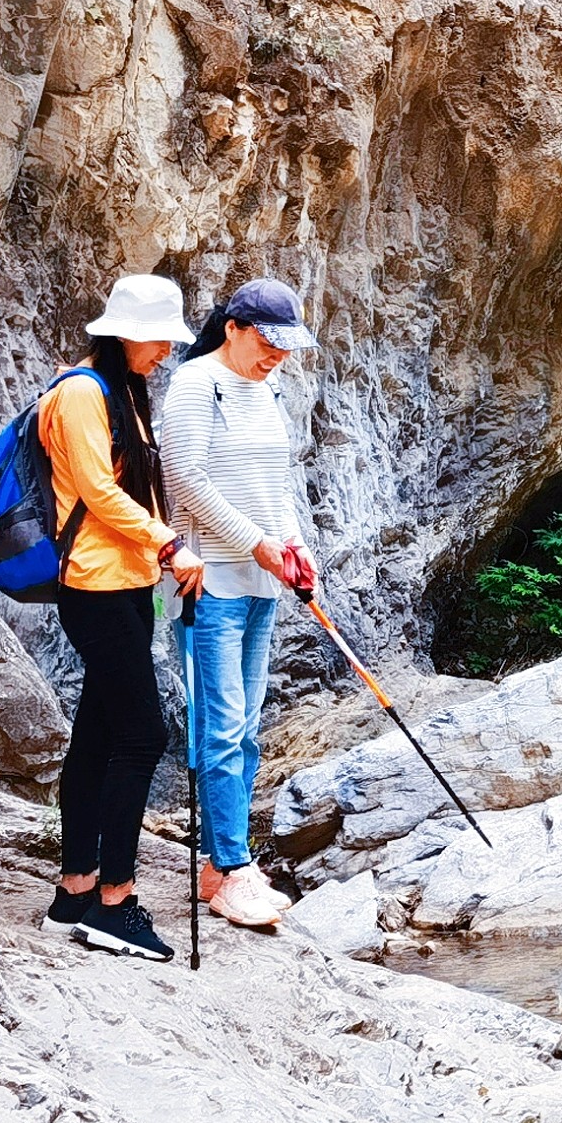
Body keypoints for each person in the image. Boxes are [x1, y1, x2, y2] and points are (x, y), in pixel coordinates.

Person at [43, 273, 212, 961]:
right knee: (142, 735)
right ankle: (115, 902)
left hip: (125, 582)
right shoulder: (83, 392)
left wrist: (165, 556)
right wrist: (167, 544)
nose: (165, 354)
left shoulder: (124, 393)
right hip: (93, 583)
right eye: (157, 341)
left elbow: (136, 489)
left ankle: (74, 890)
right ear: (125, 335)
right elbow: (97, 490)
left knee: (99, 733)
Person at [157, 276, 321, 932]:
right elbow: (185, 479)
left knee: (245, 727)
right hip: (209, 581)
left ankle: (217, 867)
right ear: (232, 328)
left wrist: (292, 543)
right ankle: (232, 869)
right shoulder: (196, 385)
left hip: (259, 578)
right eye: (267, 341)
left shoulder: (266, 388)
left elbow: (276, 480)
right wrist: (256, 544)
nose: (277, 354)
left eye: (286, 345)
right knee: (221, 728)